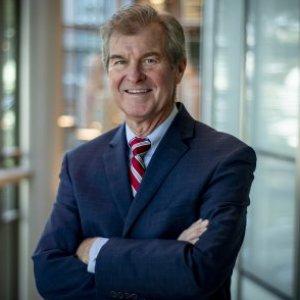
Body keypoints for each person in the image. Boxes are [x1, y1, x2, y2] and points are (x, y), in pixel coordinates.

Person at [33, 4, 256, 300]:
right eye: (119, 62)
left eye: (150, 60)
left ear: (179, 68)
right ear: (107, 71)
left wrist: (95, 249)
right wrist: (169, 255)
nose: (134, 75)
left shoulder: (226, 158)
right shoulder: (80, 163)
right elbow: (49, 273)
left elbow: (199, 272)